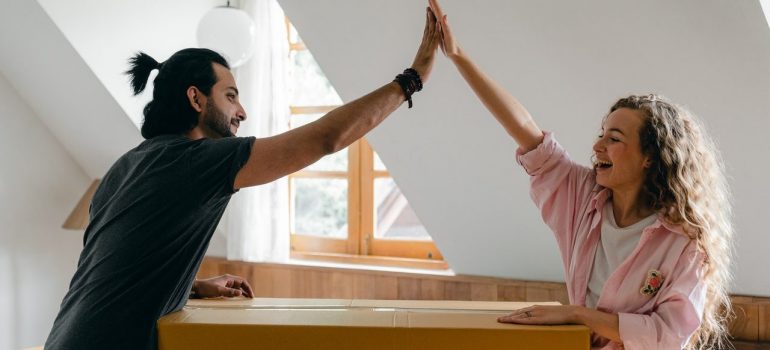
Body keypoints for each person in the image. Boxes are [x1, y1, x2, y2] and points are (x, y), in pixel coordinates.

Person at [44, 8, 441, 350]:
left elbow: (116, 265)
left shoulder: (127, 165)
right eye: (231, 95)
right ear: (196, 99)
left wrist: (194, 284)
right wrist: (413, 79)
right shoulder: (200, 161)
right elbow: (327, 138)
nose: (242, 111)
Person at [426, 1, 733, 349]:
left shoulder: (684, 239)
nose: (598, 145)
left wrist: (578, 315)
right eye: (602, 133)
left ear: (650, 157)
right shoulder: (580, 195)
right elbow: (523, 126)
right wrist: (458, 55)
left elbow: (670, 335)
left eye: (614, 139)